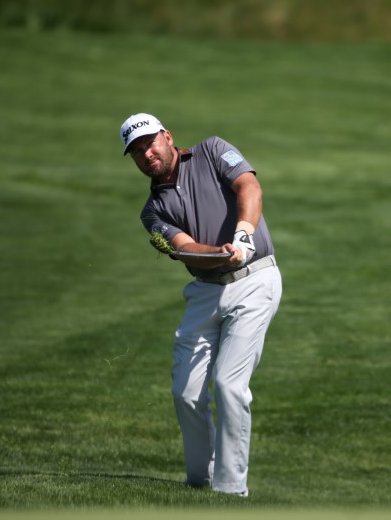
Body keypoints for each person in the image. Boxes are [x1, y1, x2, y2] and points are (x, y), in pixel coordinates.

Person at [120, 112, 283, 497]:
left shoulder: (212, 151)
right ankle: (199, 483)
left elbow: (249, 186)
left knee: (228, 384)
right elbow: (187, 250)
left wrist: (243, 235)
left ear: (167, 137)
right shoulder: (152, 212)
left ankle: (230, 490)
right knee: (186, 391)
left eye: (149, 144)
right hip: (206, 290)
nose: (146, 155)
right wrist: (221, 253)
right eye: (137, 152)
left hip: (255, 278)